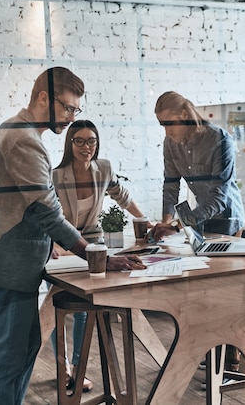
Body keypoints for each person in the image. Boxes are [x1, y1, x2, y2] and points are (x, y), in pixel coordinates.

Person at [0, 67, 144, 405]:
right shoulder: (24, 141)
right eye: (68, 108)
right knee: (9, 358)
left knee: (24, 349)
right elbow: (47, 212)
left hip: (12, 258)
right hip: (10, 261)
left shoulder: (17, 131)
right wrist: (97, 256)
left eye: (76, 111)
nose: (72, 117)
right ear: (44, 97)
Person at [147, 90, 245, 373]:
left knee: (224, 289)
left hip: (227, 219)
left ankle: (230, 357)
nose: (165, 130)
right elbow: (170, 185)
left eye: (168, 123)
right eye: (161, 125)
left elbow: (219, 199)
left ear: (184, 116)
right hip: (198, 219)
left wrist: (179, 223)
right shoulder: (170, 142)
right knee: (203, 289)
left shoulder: (219, 139)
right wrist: (166, 220)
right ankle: (213, 350)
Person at [50, 119, 150, 392]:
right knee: (54, 309)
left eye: (91, 141)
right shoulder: (55, 176)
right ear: (69, 143)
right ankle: (63, 367)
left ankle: (78, 370)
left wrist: (145, 221)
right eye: (79, 141)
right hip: (61, 246)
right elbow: (45, 216)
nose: (86, 147)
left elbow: (123, 197)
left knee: (85, 311)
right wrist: (51, 245)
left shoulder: (103, 169)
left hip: (93, 244)